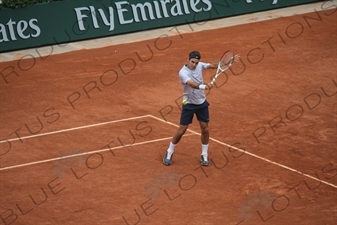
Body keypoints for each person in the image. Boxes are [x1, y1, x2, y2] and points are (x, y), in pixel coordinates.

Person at [163, 50, 218, 166]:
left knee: (205, 129)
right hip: (189, 103)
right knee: (182, 129)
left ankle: (204, 154)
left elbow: (213, 65)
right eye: (192, 62)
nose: (194, 65)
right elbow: (191, 84)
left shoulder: (200, 65)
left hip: (202, 102)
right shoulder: (183, 72)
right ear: (188, 60)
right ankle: (169, 151)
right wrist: (204, 86)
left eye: (196, 63)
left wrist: (227, 62)